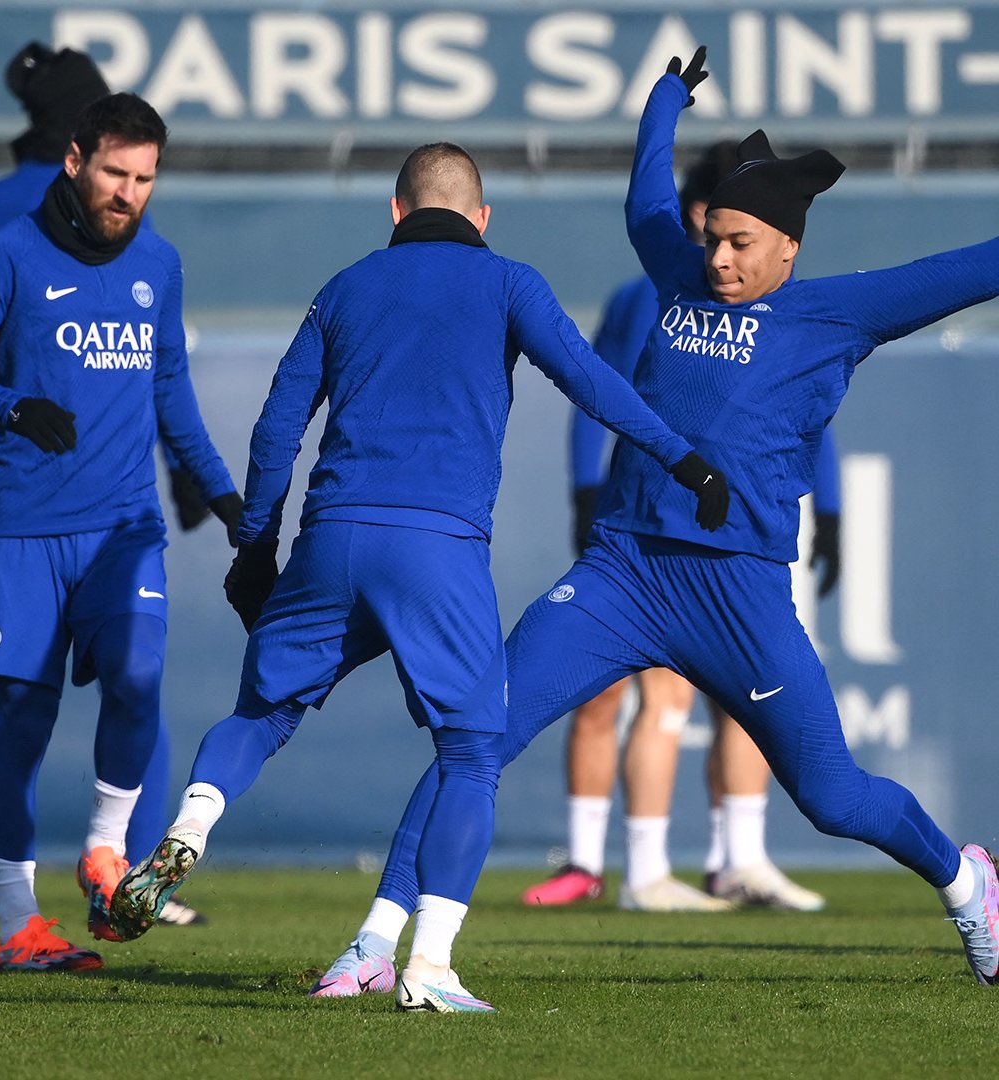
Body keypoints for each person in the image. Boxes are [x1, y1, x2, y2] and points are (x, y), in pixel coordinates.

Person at [313, 47, 999, 995]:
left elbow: (966, 269)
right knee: (477, 736)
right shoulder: (679, 277)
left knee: (835, 798)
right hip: (622, 575)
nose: (718, 257)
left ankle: (968, 884)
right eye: (712, 237)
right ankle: (374, 947)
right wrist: (665, 100)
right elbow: (644, 199)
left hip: (736, 593)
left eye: (741, 243)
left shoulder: (837, 314)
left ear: (788, 248)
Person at [108, 141, 729, 1013]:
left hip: (331, 539)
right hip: (437, 550)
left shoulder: (345, 287)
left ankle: (191, 825)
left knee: (263, 713)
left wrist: (254, 549)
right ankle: (429, 964)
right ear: (482, 217)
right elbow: (595, 385)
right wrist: (686, 461)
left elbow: (278, 427)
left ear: (395, 211)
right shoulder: (509, 282)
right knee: (472, 753)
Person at [0, 90, 241, 972]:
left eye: (144, 179)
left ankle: (105, 849)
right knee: (21, 726)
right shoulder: (8, 253)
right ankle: (19, 925)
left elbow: (169, 385)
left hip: (123, 527)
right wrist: (10, 407)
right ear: (75, 161)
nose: (128, 194)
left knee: (137, 676)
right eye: (114, 173)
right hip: (24, 530)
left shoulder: (160, 264)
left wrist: (219, 491)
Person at [526, 143, 840, 913]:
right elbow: (597, 391)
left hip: (744, 527)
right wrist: (585, 492)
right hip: (659, 526)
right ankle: (626, 864)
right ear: (701, 216)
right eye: (718, 224)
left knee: (744, 704)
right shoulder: (658, 292)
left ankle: (738, 859)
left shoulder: (789, 310)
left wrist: (828, 508)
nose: (723, 248)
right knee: (644, 699)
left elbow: (807, 417)